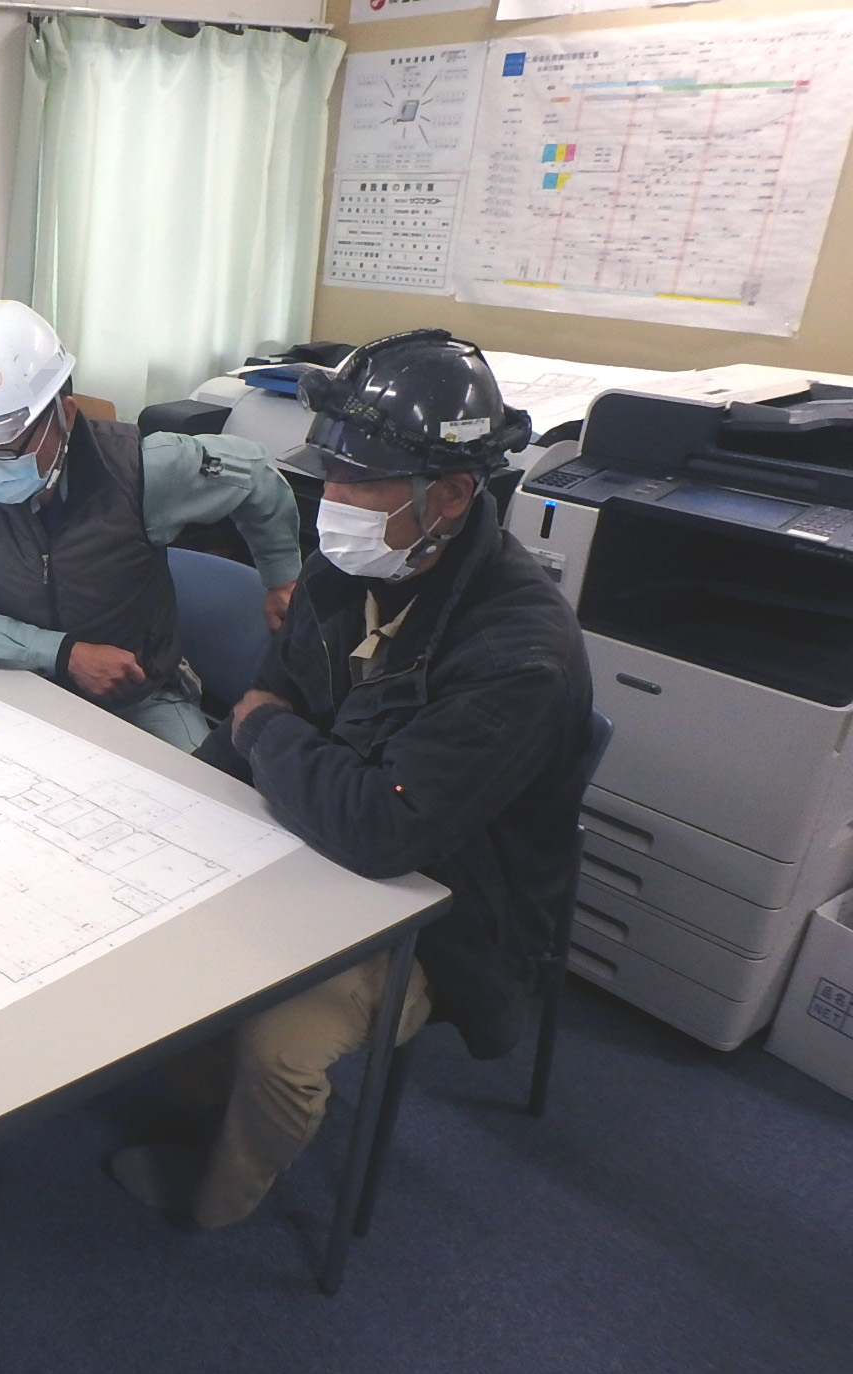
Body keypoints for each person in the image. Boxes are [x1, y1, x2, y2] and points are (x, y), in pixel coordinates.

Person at [110, 330, 594, 1230]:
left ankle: (218, 1198)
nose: (329, 502)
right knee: (158, 905)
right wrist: (182, 811)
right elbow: (268, 703)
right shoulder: (347, 568)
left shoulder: (518, 654)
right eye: (328, 475)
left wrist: (268, 731)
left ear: (450, 495)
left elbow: (382, 826)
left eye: (354, 482)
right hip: (316, 832)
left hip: (446, 905)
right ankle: (194, 1082)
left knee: (279, 1045)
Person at [0, 300, 303, 754]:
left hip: (137, 697)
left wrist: (281, 575)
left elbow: (256, 476)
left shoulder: (144, 469)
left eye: (5, 441)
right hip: (15, 688)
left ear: (65, 414)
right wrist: (65, 654)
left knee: (199, 786)